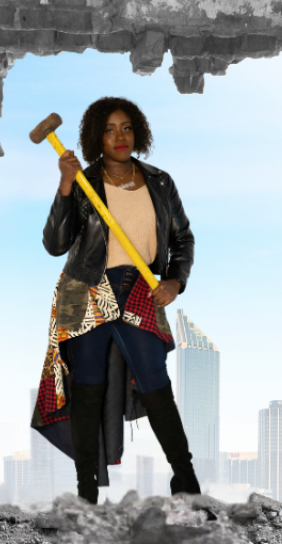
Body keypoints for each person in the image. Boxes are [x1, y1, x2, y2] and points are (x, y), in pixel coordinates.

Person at [29, 96, 198, 505]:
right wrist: (66, 185)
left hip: (140, 287)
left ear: (137, 130)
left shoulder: (160, 182)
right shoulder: (85, 183)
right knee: (87, 389)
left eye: (125, 127)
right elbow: (54, 245)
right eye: (108, 129)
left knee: (157, 386)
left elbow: (182, 239)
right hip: (85, 288)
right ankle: (86, 494)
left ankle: (188, 486)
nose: (119, 136)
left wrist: (175, 281)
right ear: (95, 138)